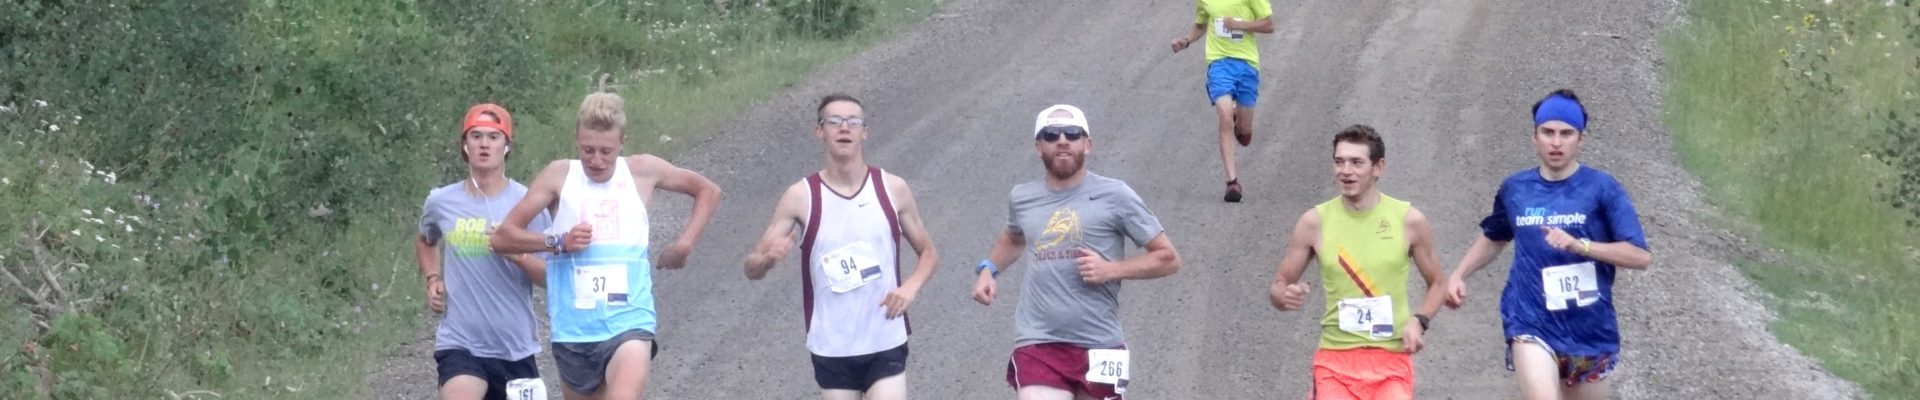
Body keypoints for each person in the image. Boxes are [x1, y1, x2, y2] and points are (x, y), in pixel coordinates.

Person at [492, 88, 723, 400]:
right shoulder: (559, 175)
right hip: (573, 328)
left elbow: (707, 190)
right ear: (576, 138)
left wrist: (685, 244)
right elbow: (504, 237)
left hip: (630, 321)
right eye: (588, 150)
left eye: (606, 151)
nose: (596, 160)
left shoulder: (643, 171)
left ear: (622, 142)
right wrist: (557, 241)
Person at [1442, 90, 1653, 400]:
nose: (1556, 142)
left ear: (1580, 139)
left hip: (1589, 329)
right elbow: (1495, 235)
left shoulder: (1602, 189)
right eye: (1548, 132)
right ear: (1534, 136)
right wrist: (1459, 274)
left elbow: (1640, 256)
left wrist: (1582, 246)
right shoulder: (1516, 189)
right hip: (1530, 320)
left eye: (1566, 134)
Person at [971, 104, 1181, 400]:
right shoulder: (1022, 197)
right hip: (1039, 340)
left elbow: (1168, 258)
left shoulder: (1116, 195)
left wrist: (1111, 270)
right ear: (1038, 146)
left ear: (1087, 144)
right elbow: (1014, 238)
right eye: (1051, 134)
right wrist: (988, 270)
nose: (1062, 140)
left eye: (1072, 133)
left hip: (1100, 342)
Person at [743, 93, 941, 400]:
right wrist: (767, 260)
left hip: (884, 336)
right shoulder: (801, 196)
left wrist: (910, 288)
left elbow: (928, 252)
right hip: (832, 344)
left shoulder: (892, 188)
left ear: (865, 132)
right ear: (819, 131)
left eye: (853, 122)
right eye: (834, 121)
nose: (844, 128)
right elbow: (752, 268)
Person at [1267, 125, 1447, 400]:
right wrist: (1283, 296)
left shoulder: (1409, 221)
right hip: (1335, 361)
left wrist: (1419, 321)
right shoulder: (1314, 222)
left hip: (1391, 361)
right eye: (1339, 162)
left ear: (1378, 167)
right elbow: (1279, 285)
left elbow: (1438, 284)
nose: (1345, 171)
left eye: (1356, 162)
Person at [415, 103, 553, 400]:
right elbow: (426, 240)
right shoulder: (441, 202)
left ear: (507, 145)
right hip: (460, 344)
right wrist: (432, 278)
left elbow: (550, 277)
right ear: (464, 145)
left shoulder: (528, 203)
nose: (484, 144)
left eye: (493, 137)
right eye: (476, 136)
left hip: (515, 347)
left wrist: (515, 254)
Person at [1169, 0, 1275, 202]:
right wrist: (1186, 40)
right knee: (1225, 116)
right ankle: (1232, 183)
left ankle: (1238, 120)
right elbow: (1201, 25)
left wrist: (1241, 25)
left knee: (1245, 136)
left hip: (1247, 64)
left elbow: (1269, 24)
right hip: (1219, 63)